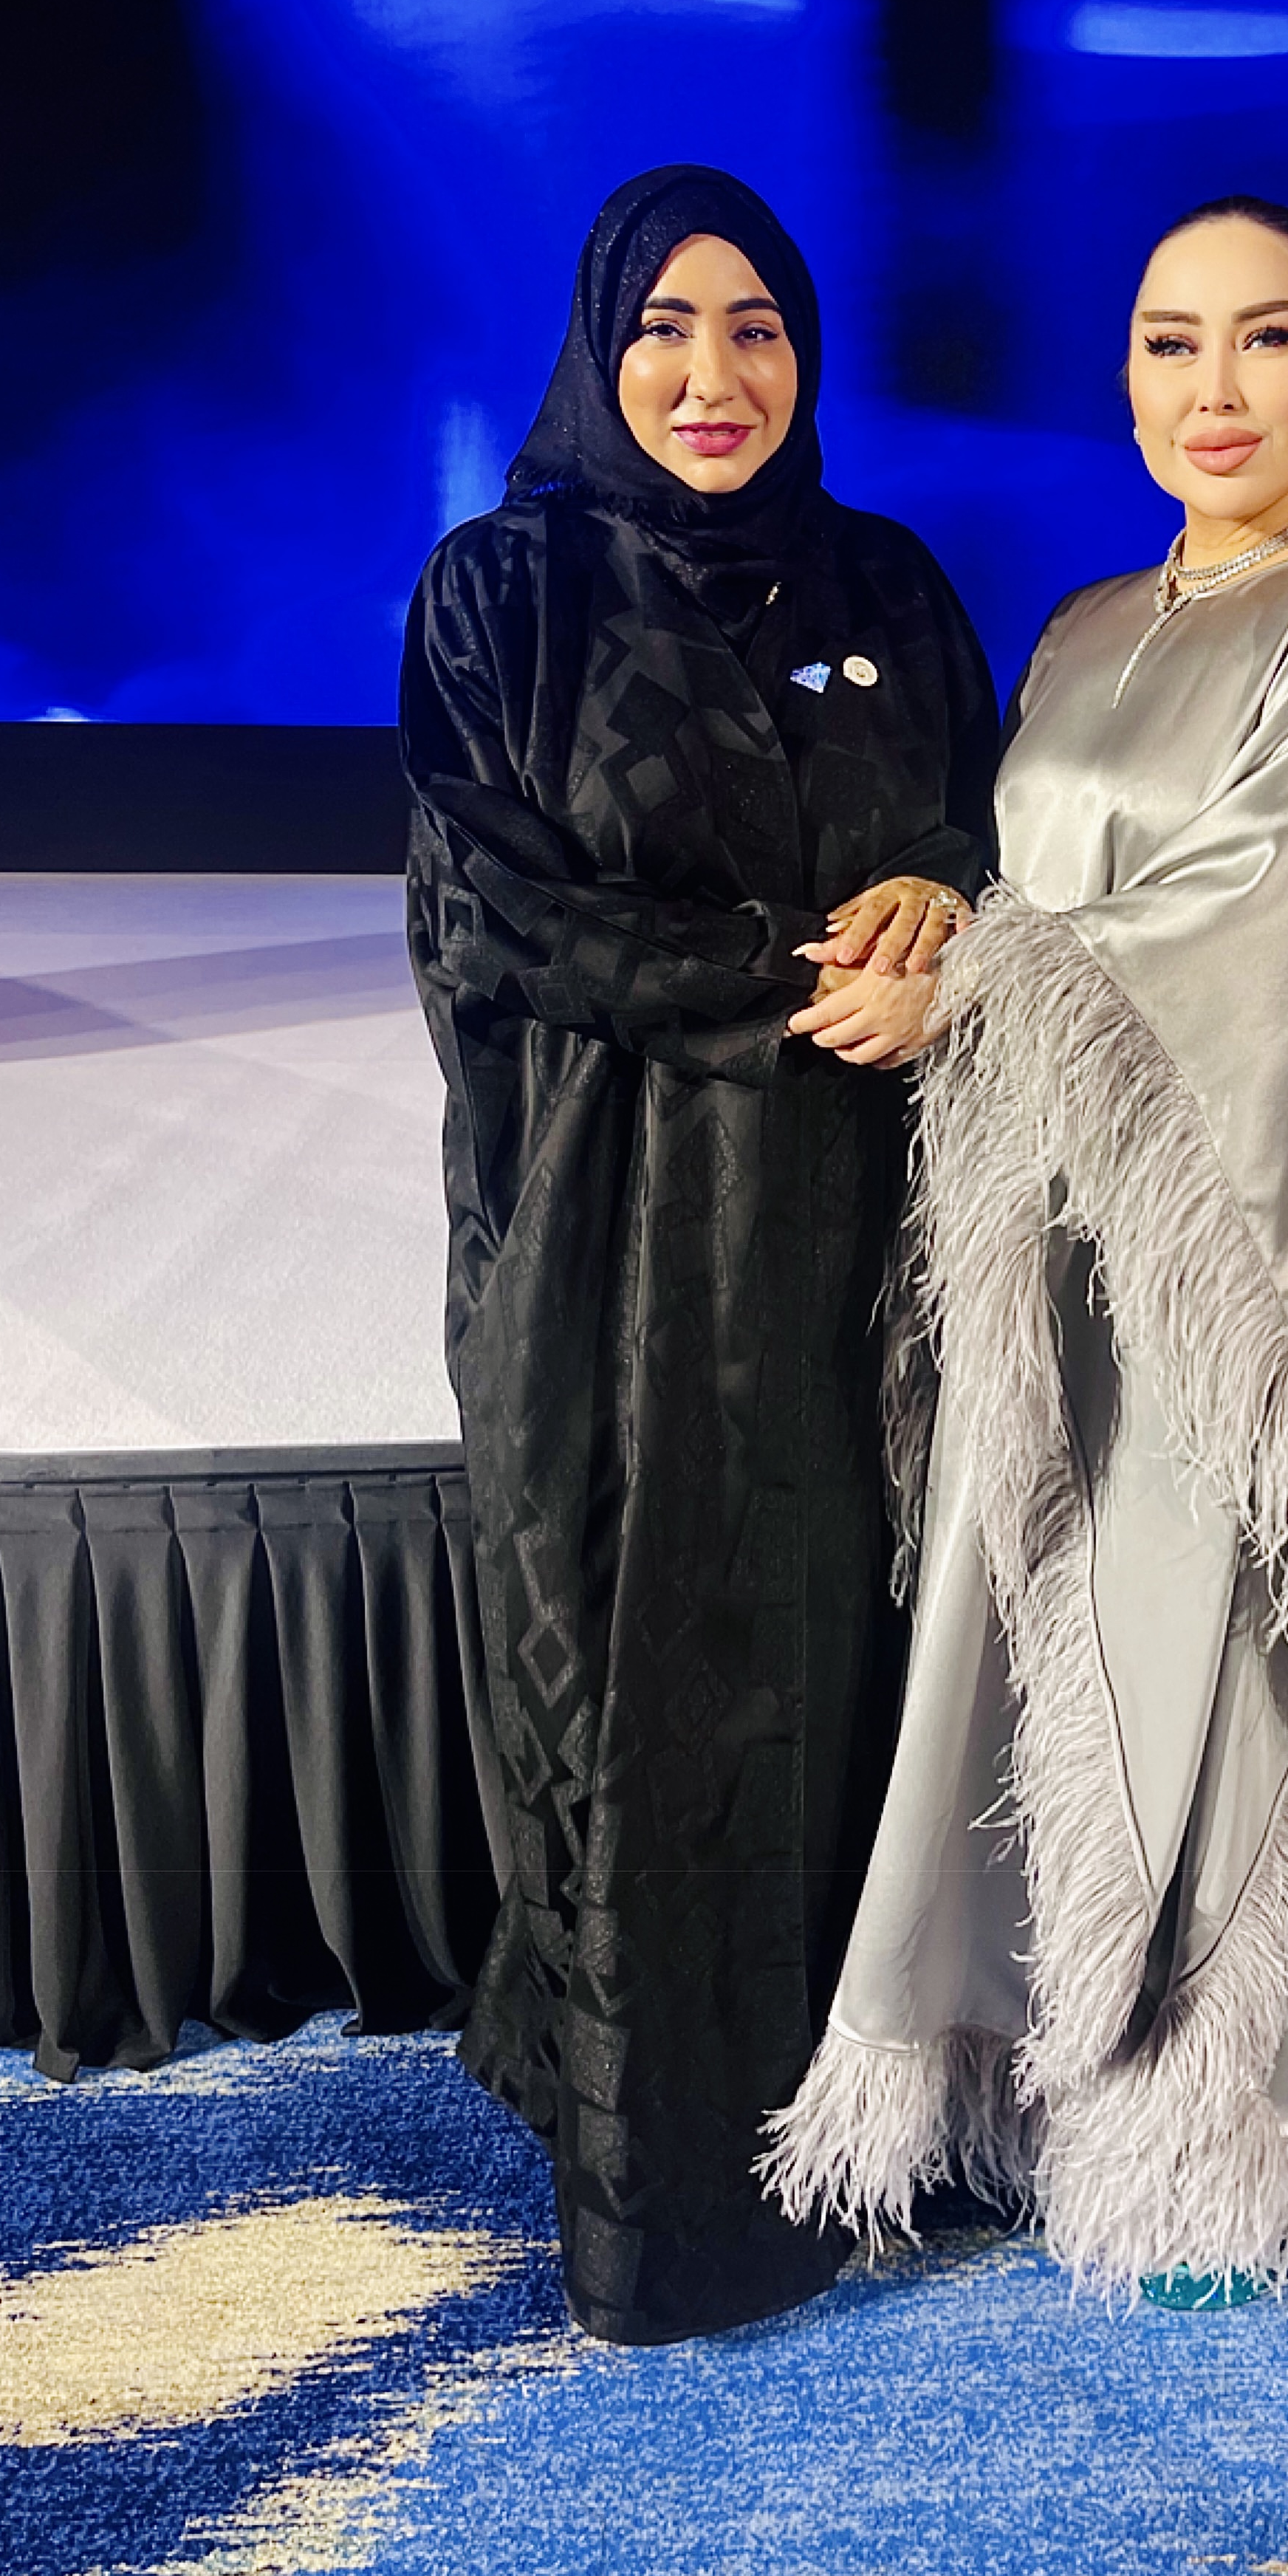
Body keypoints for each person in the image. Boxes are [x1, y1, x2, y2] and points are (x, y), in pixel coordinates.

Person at [764, 196, 1288, 2300]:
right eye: (1172, 342)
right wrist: (936, 912)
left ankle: (1204, 2155)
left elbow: (1258, 921)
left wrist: (975, 984)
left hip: (1214, 1250)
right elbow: (1027, 880)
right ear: (1130, 376)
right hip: (1033, 1227)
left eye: (1266, 338)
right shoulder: (1076, 629)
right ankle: (1018, 2083)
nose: (1215, 389)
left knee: (1198, 1627)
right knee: (1028, 1624)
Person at [402, 165, 996, 2343]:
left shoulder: (886, 578)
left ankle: (872, 2129)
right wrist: (795, 977)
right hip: (607, 1255)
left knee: (852, 1670)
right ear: (598, 347)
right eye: (664, 324)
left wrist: (946, 900)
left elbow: (978, 817)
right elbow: (498, 912)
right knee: (630, 1687)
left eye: (757, 328)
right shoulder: (505, 592)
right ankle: (674, 2195)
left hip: (851, 1254)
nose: (713, 372)